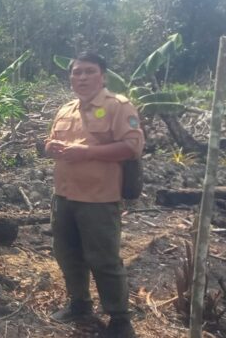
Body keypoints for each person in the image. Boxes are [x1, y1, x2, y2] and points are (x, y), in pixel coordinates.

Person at [45, 52, 144, 338]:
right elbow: (52, 141)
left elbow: (132, 147)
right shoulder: (66, 110)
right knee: (67, 254)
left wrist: (87, 152)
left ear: (103, 76)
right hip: (64, 196)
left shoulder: (118, 107)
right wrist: (50, 146)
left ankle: (119, 319)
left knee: (104, 259)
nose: (82, 77)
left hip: (99, 200)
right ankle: (79, 304)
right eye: (77, 72)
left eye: (89, 71)